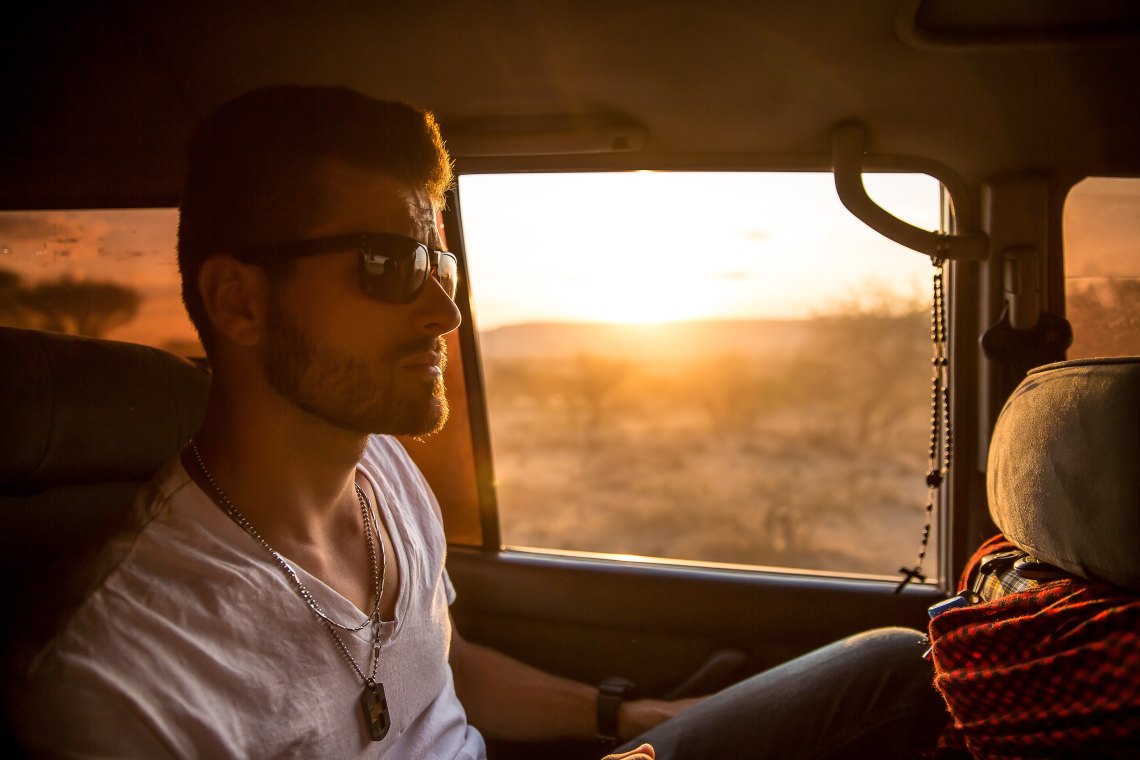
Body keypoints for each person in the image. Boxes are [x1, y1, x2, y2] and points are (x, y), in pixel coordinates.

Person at [11, 86, 947, 758]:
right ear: (240, 303)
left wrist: (622, 716)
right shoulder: (122, 684)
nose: (444, 316)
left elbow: (442, 664)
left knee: (901, 668)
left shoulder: (382, 472)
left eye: (441, 266)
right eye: (389, 266)